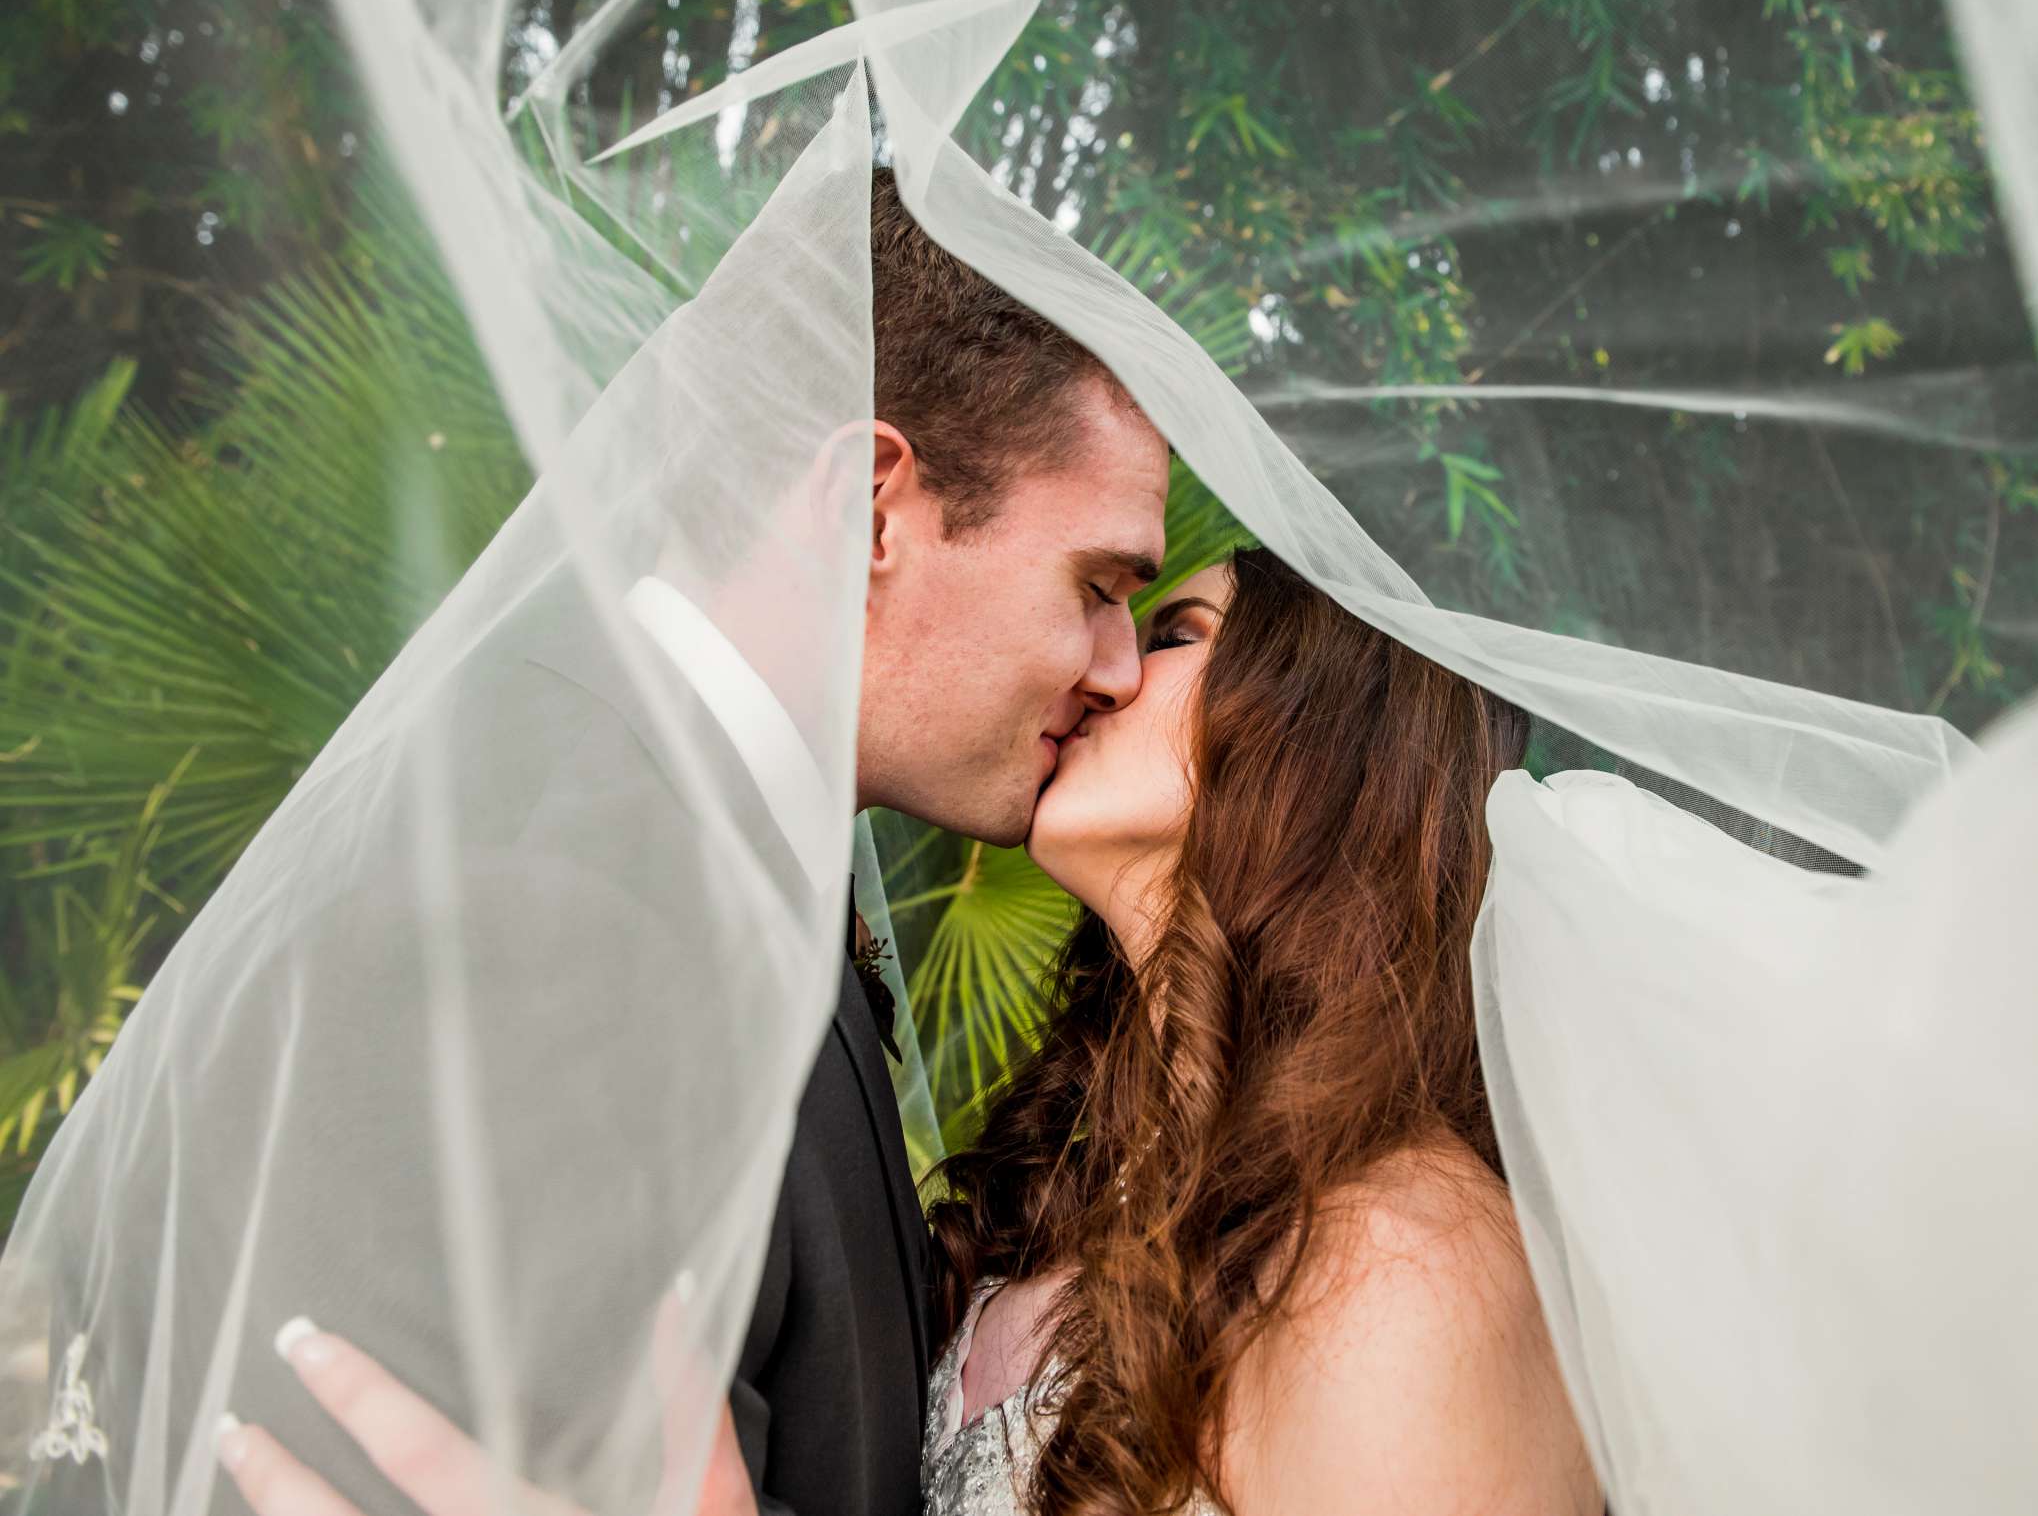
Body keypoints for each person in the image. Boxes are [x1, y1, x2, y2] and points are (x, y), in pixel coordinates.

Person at [155, 163, 1170, 1516]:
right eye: (1098, 585)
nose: (1118, 667)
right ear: (873, 507)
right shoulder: (550, 894)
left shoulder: (705, 844)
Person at [918, 546, 1602, 1515]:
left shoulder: (1402, 1263)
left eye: (1175, 636)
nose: (1104, 672)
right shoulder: (1076, 1176)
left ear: (1324, 746)